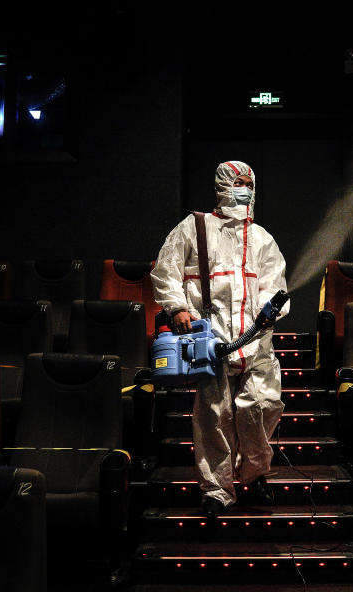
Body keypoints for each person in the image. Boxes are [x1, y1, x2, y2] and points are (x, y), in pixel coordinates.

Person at [151, 160, 288, 517]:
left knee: (261, 408)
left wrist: (270, 314)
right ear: (223, 185)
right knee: (214, 418)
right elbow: (165, 272)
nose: (245, 189)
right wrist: (177, 307)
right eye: (239, 182)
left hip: (256, 345)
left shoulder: (262, 239)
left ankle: (254, 474)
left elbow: (276, 287)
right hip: (211, 346)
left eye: (249, 183)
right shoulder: (194, 228)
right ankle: (216, 490)